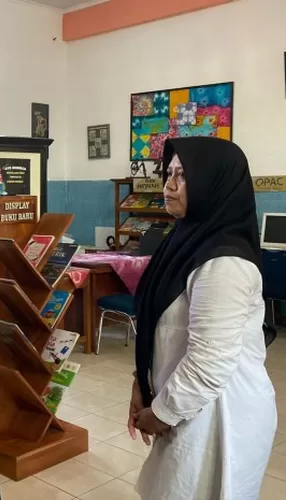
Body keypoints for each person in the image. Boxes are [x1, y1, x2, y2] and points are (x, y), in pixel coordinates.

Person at [130, 137, 277, 500]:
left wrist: (161, 413)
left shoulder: (224, 263)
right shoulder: (183, 241)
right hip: (186, 404)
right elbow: (160, 328)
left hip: (219, 416)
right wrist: (142, 383)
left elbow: (210, 362)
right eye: (169, 173)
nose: (169, 184)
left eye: (183, 175)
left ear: (215, 183)